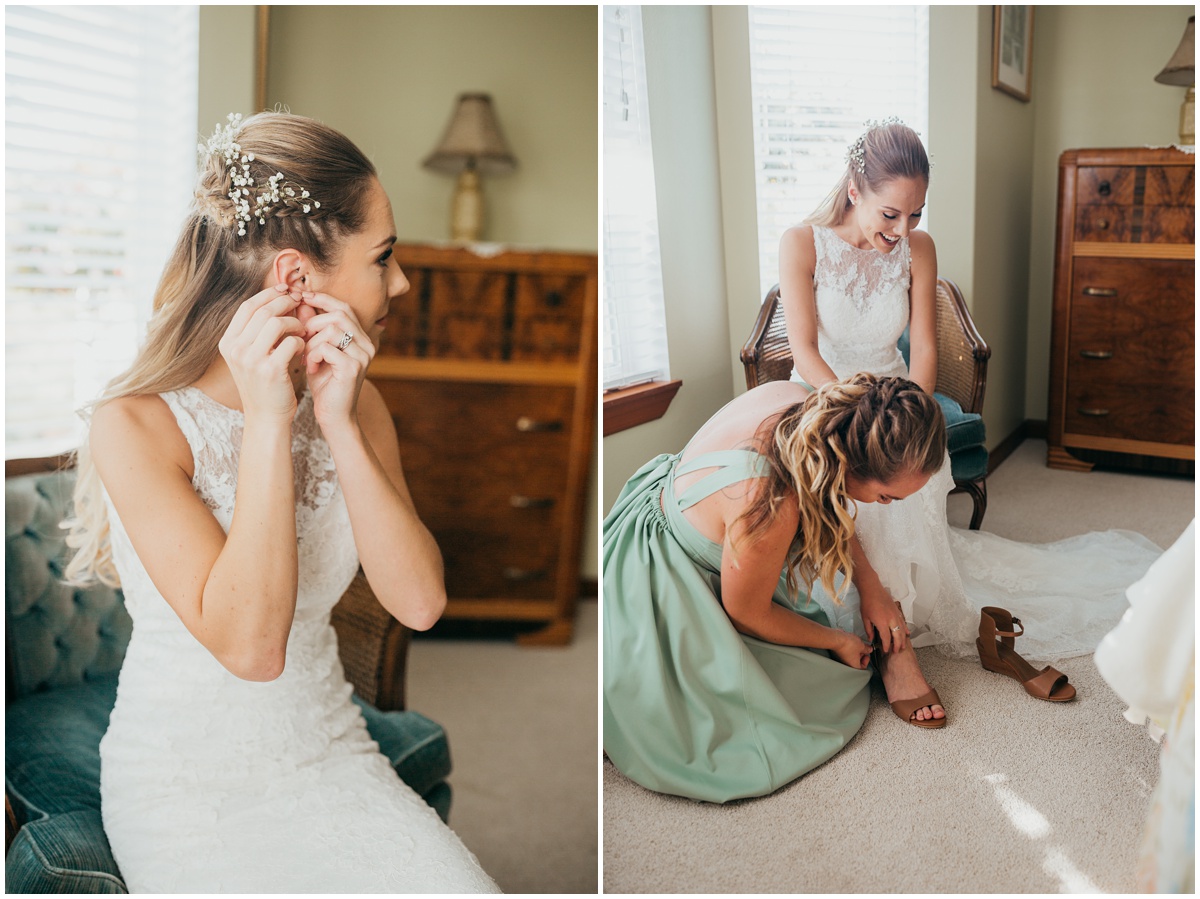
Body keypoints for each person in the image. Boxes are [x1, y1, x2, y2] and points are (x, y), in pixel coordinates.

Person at [64, 112, 499, 893]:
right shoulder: (134, 425)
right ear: (297, 278)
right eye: (385, 257)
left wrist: (335, 420)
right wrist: (270, 421)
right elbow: (252, 649)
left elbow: (422, 601)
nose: (399, 282)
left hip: (332, 754)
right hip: (185, 789)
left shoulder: (355, 402)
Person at [777, 118, 1160, 675]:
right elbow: (804, 349)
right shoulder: (801, 242)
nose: (903, 229)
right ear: (855, 190)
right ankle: (867, 617)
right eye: (891, 214)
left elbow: (926, 349)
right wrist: (856, 412)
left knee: (906, 463)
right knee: (845, 467)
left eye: (915, 215)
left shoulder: (918, 249)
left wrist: (908, 416)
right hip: (823, 396)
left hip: (898, 395)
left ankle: (901, 616)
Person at [603, 373, 947, 803]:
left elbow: (830, 499)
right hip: (660, 580)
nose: (886, 508)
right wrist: (836, 640)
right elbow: (747, 613)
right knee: (787, 713)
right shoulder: (771, 501)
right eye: (886, 498)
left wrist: (870, 583)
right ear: (849, 464)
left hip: (653, 508)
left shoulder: (806, 405)